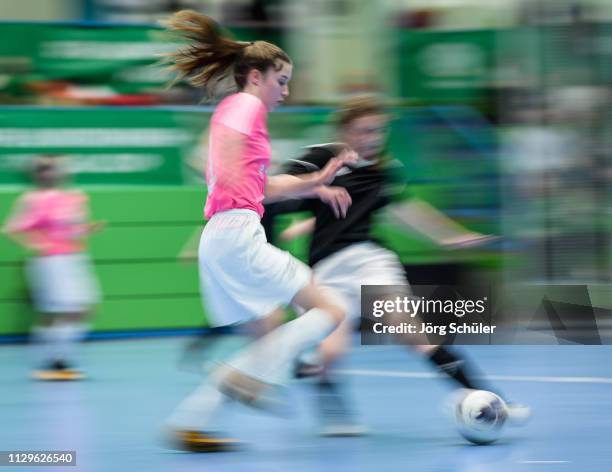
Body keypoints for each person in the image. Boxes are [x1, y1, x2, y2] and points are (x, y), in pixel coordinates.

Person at [263, 95, 530, 436]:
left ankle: (493, 399)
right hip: (326, 270)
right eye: (364, 130)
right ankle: (334, 411)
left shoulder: (385, 170)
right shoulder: (320, 157)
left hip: (370, 260)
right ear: (346, 130)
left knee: (413, 332)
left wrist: (448, 236)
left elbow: (405, 211)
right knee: (330, 350)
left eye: (379, 131)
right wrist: (309, 202)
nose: (373, 137)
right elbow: (272, 191)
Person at [160, 10, 358, 451]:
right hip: (236, 233)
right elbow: (235, 162)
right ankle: (241, 378)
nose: (285, 90)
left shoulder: (240, 112)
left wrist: (318, 183)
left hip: (223, 233)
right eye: (281, 80)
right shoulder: (246, 106)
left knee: (270, 324)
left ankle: (196, 419)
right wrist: (230, 164)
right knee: (330, 310)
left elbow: (264, 188)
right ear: (256, 76)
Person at [2, 155, 103, 381]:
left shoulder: (74, 198)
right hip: (50, 261)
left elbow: (74, 230)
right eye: (43, 169)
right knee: (60, 311)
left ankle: (58, 360)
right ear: (36, 174)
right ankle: (53, 362)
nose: (50, 172)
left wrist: (87, 229)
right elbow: (12, 229)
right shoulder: (34, 200)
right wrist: (38, 243)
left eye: (53, 168)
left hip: (74, 257)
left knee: (85, 307)